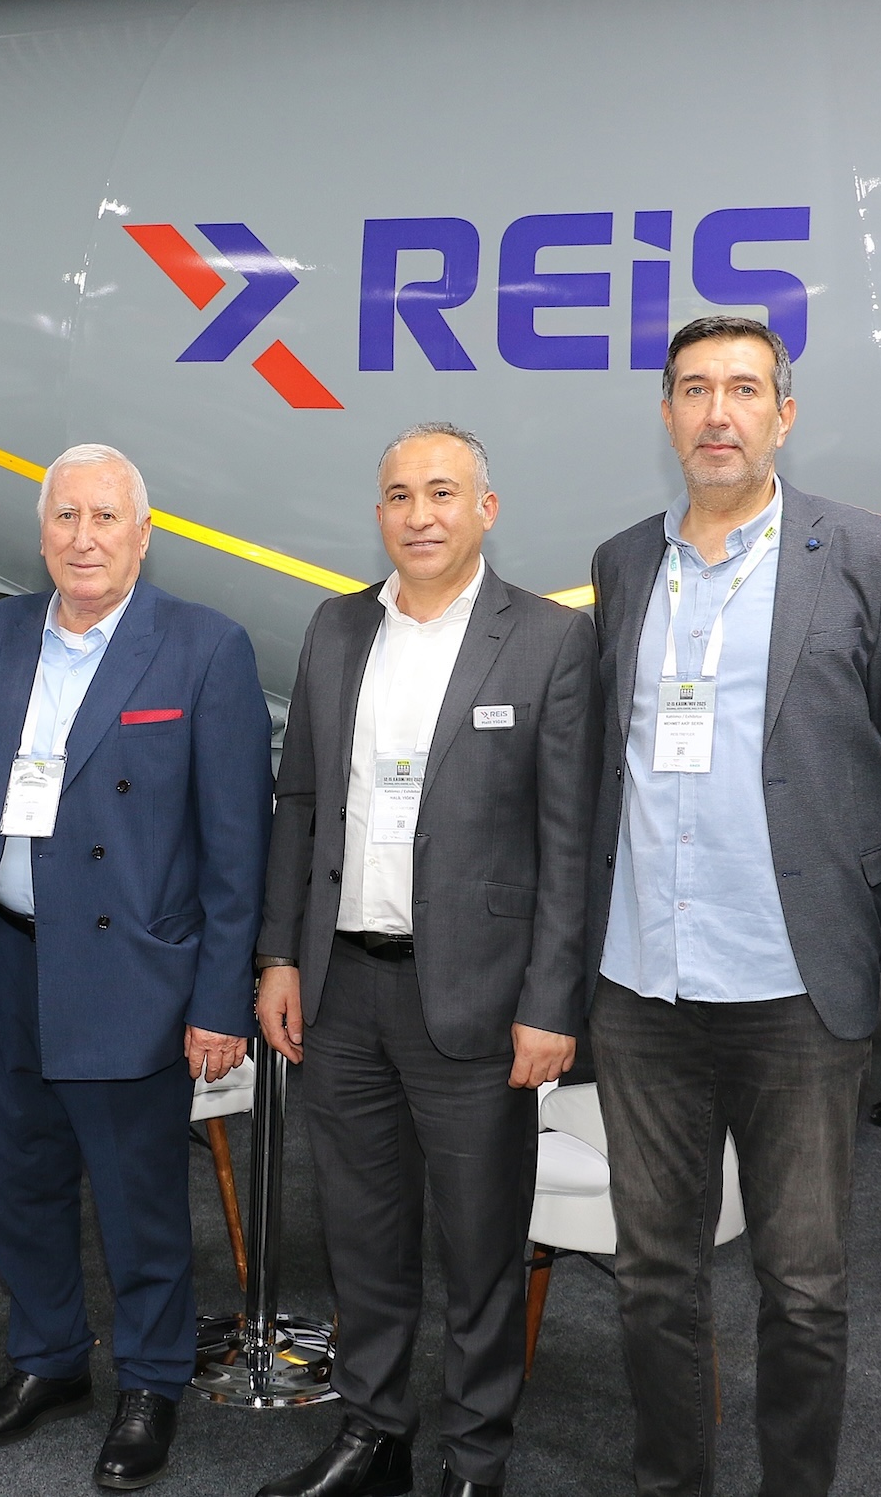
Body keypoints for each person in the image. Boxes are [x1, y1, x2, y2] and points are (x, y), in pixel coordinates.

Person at [585, 314, 881, 1496]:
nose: (717, 412)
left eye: (742, 388)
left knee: (803, 1283)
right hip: (644, 984)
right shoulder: (623, 563)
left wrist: (864, 930)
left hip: (795, 986)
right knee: (653, 1275)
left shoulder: (868, 556)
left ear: (783, 414)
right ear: (667, 414)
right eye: (694, 389)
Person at [0, 444, 273, 1491]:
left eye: (104, 516)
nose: (83, 537)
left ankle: (151, 1381)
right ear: (41, 534)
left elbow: (236, 847)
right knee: (19, 1186)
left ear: (142, 534)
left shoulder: (205, 647)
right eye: (65, 516)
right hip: (5, 961)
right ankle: (48, 1358)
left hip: (133, 975)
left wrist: (220, 999)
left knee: (137, 1200)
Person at [252, 422, 600, 1497]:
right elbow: (299, 801)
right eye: (400, 495)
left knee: (481, 1245)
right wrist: (278, 954)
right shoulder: (336, 626)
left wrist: (552, 1000)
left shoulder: (549, 638)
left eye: (443, 492)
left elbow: (571, 839)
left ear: (485, 509)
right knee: (359, 1233)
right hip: (342, 986)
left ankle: (476, 1456)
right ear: (379, 513)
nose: (420, 514)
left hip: (481, 1000)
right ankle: (374, 1435)